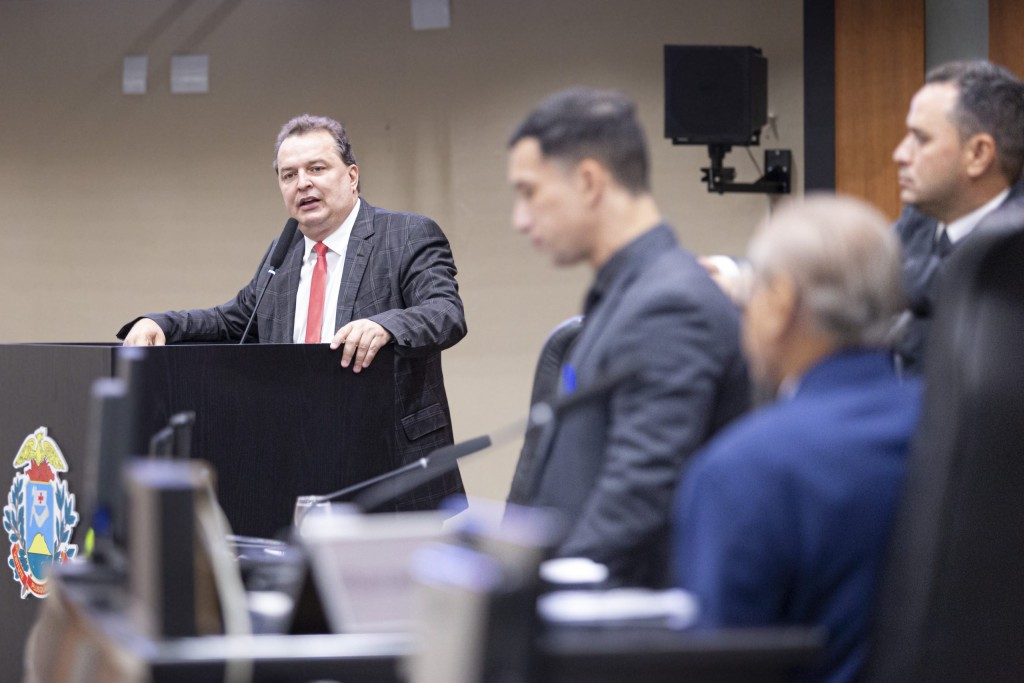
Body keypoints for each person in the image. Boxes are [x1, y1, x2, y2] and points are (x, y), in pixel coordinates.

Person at [118, 114, 467, 509]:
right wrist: (160, 323)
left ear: (352, 176)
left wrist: (385, 325)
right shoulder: (282, 254)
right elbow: (233, 321)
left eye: (317, 169)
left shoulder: (406, 235)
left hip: (390, 464)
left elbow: (445, 312)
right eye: (289, 175)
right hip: (299, 461)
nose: (303, 183)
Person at [672, 195, 922, 683]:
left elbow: (717, 665)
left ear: (781, 302)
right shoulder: (964, 431)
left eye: (753, 292)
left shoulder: (743, 469)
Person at [506, 88, 750, 588]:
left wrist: (540, 593)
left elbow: (639, 494)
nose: (520, 219)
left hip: (630, 611)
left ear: (589, 181)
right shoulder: (628, 292)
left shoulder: (669, 304)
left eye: (529, 192)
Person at [892, 60, 1024, 372]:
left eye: (921, 139)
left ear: (978, 154)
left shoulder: (1015, 244)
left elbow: (971, 282)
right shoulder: (920, 218)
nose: (900, 154)